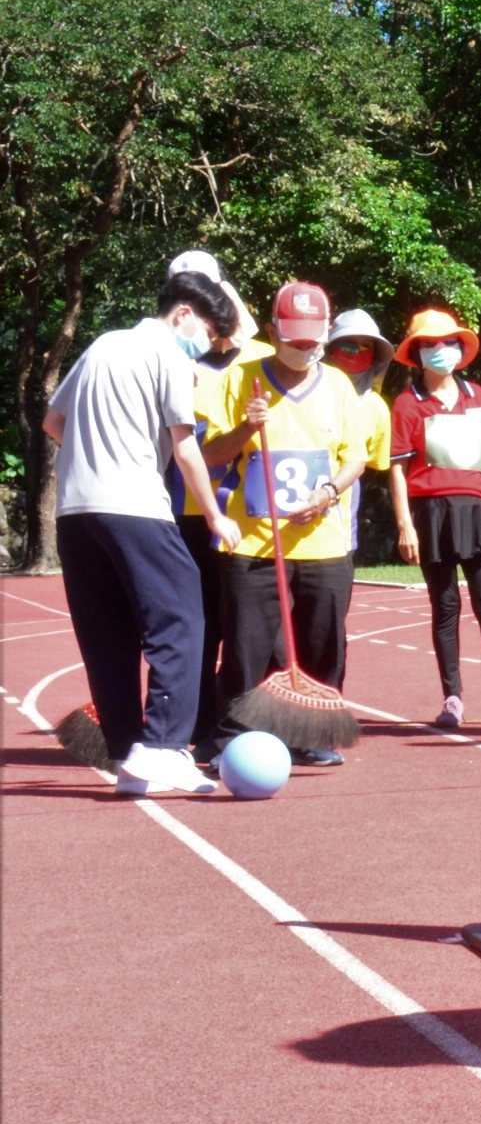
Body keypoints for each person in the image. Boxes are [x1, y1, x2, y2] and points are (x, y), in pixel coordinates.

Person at [44, 270, 242, 795]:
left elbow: (52, 423)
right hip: (135, 507)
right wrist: (216, 516)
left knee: (106, 635)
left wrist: (95, 455)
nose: (203, 351)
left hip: (75, 512)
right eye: (207, 337)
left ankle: (126, 752)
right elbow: (185, 448)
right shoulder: (171, 357)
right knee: (181, 622)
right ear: (184, 315)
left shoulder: (103, 344)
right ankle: (163, 747)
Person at [201, 283, 369, 766]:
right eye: (296, 341)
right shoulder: (240, 379)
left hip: (324, 542)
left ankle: (313, 732)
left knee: (323, 643)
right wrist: (246, 429)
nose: (307, 349)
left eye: (315, 340)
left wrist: (329, 492)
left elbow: (355, 458)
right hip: (253, 542)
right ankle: (232, 737)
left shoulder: (338, 385)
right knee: (246, 648)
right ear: (274, 333)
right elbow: (211, 456)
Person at [388, 308, 481, 729]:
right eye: (429, 344)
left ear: (460, 348)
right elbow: (397, 468)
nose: (440, 351)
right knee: (445, 607)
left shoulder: (479, 396)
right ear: (416, 353)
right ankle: (452, 699)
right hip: (434, 514)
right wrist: (405, 525)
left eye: (448, 342)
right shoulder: (407, 403)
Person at [163, 250, 270, 763]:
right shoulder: (169, 360)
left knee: (246, 623)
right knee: (198, 621)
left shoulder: (262, 357)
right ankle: (199, 725)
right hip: (185, 511)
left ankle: (248, 719)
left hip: (248, 516)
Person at [323, 308, 395, 564]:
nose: (356, 353)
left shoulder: (376, 407)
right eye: (348, 345)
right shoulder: (298, 392)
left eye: (365, 347)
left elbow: (374, 464)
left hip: (341, 526)